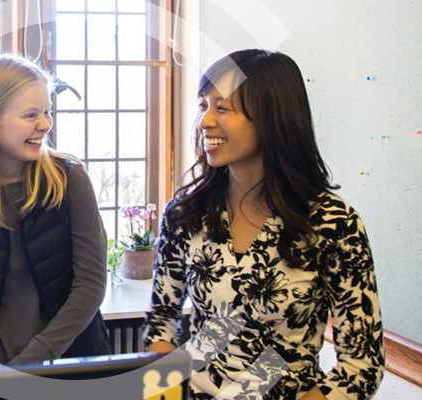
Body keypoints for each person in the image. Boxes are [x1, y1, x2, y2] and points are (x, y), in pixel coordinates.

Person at [144, 49, 384, 400]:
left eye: (222, 108)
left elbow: (361, 366)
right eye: (202, 105)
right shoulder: (185, 213)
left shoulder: (334, 224)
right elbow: (162, 322)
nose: (205, 121)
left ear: (272, 117)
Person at [0, 54, 111, 367]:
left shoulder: (71, 182)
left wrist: (31, 363)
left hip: (72, 367)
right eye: (31, 115)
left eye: (47, 112)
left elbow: (91, 286)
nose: (46, 124)